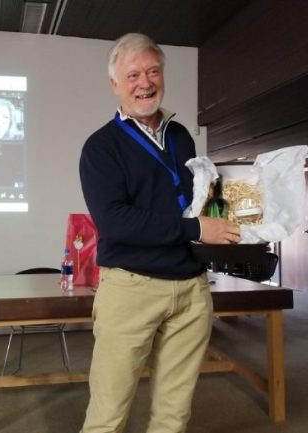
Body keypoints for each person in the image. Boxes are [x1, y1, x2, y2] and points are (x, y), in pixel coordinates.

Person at [78, 33, 242, 433]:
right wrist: (198, 227)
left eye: (152, 71)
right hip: (132, 289)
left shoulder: (181, 135)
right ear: (115, 84)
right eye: (132, 74)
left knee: (174, 414)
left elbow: (196, 198)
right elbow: (116, 222)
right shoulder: (101, 148)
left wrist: (232, 211)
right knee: (109, 413)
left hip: (191, 289)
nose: (145, 82)